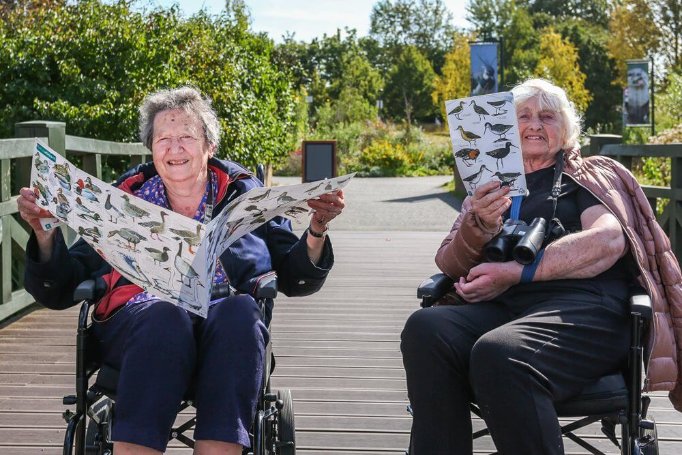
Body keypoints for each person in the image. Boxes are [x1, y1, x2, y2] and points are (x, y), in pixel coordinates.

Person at [19, 86, 345, 455]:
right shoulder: (126, 197)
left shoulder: (243, 195)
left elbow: (293, 275)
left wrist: (316, 228)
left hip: (224, 328)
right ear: (151, 148)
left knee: (241, 311)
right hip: (141, 326)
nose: (175, 148)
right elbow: (63, 284)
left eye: (187, 137)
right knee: (165, 314)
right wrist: (44, 231)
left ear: (209, 146)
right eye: (164, 139)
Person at [401, 78, 682, 454]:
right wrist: (479, 225)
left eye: (547, 117)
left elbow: (608, 240)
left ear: (565, 130)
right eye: (524, 116)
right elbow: (449, 261)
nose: (534, 125)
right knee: (425, 328)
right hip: (505, 308)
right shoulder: (491, 183)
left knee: (500, 352)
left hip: (586, 309)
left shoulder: (591, 175)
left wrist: (519, 271)